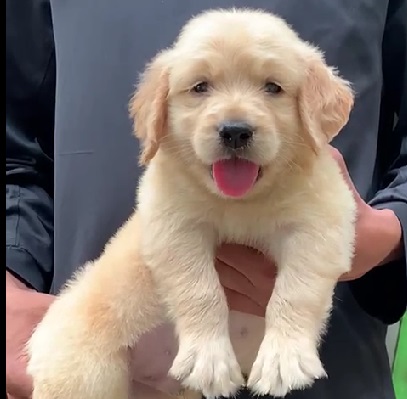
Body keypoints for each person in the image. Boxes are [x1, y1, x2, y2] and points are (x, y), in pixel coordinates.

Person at [6, 0, 406, 398]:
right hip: (98, 340)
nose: (235, 121)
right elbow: (14, 147)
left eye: (272, 87)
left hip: (335, 372)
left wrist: (395, 227)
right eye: (200, 87)